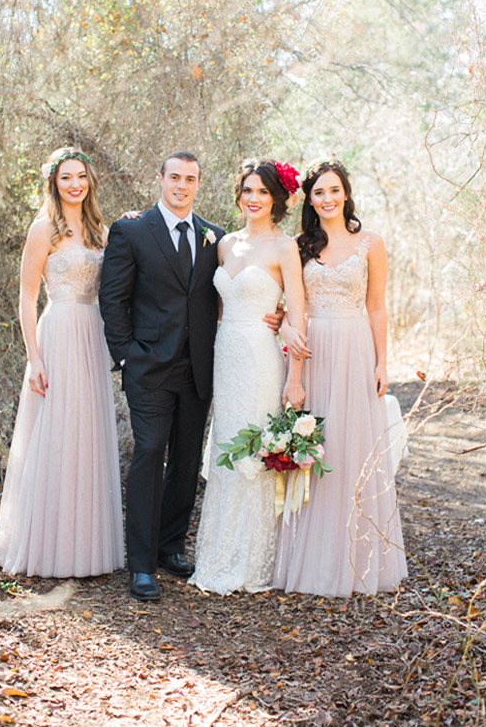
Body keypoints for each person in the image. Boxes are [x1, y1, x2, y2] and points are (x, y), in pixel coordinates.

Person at [98, 151, 283, 601]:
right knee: (148, 451)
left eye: (191, 179)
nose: (182, 185)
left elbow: (226, 297)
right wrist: (128, 357)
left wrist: (274, 315)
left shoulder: (214, 237)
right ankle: (140, 565)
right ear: (160, 179)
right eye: (175, 177)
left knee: (185, 460)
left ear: (199, 184)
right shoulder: (131, 231)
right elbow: (112, 300)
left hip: (199, 368)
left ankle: (169, 547)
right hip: (148, 367)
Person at [274, 160, 408, 596]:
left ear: (346, 193)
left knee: (352, 446)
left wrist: (381, 362)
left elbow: (377, 306)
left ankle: (356, 557)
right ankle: (309, 555)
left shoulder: (370, 243)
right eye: (318, 192)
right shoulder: (298, 245)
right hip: (313, 351)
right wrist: (284, 327)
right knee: (314, 445)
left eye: (334, 190)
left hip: (354, 348)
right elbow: (286, 306)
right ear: (309, 199)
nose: (327, 199)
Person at [0, 148, 125, 578]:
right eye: (66, 177)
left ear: (90, 182)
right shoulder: (43, 229)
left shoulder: (100, 231)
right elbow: (26, 298)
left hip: (92, 334)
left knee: (87, 433)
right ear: (54, 182)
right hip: (58, 332)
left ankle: (86, 546)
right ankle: (47, 545)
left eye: (81, 177)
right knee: (56, 433)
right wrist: (34, 358)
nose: (75, 184)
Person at [189, 157, 306, 595]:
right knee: (225, 445)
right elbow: (216, 308)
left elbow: (297, 314)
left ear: (276, 198)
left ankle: (252, 562)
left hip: (260, 356)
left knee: (253, 451)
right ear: (238, 194)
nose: (253, 199)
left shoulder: (283, 247)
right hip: (226, 355)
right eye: (248, 190)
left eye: (262, 192)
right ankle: (216, 557)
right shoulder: (223, 244)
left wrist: (294, 378)